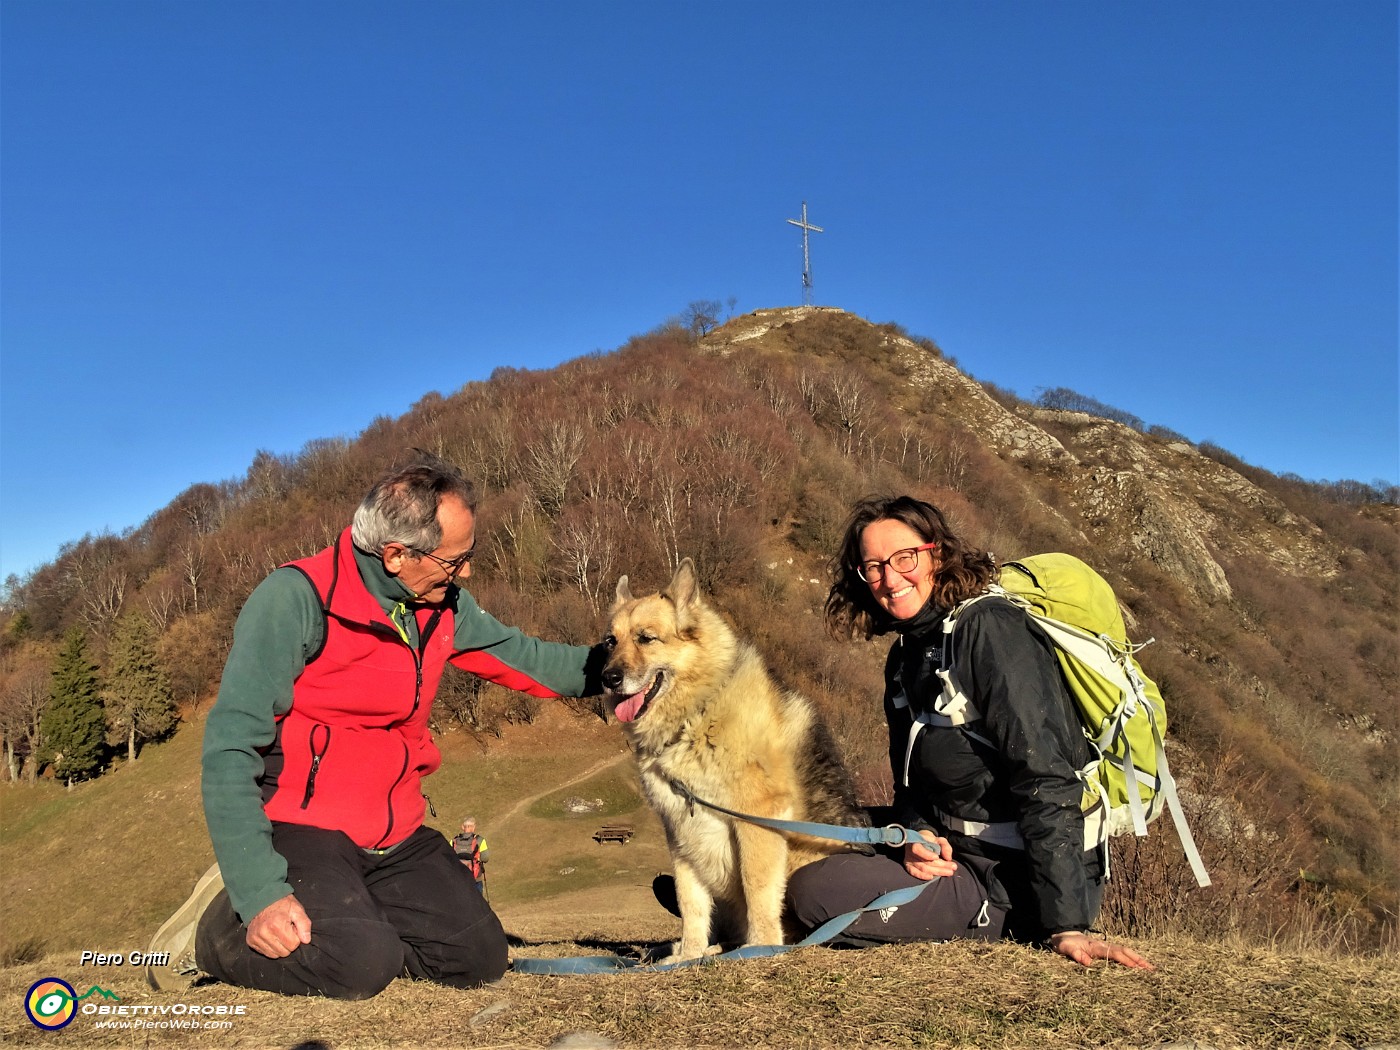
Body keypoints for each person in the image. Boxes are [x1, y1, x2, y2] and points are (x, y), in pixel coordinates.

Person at [146, 454, 604, 998]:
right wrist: (261, 892)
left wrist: (624, 670)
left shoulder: (441, 604)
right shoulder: (296, 600)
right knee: (360, 964)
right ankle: (213, 929)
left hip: (395, 832)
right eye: (456, 561)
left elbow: (524, 657)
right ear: (395, 555)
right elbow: (229, 750)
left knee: (477, 957)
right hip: (301, 826)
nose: (467, 573)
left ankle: (355, 922)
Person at [785, 494, 1153, 970]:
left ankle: (775, 916)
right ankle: (736, 900)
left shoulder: (991, 632)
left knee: (813, 890)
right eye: (872, 566)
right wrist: (915, 832)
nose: (890, 579)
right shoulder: (907, 655)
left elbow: (1047, 777)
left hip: (1008, 879)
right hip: (951, 844)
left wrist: (1065, 923)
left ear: (936, 554)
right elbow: (911, 785)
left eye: (904, 558)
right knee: (818, 824)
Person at [452, 817, 489, 896]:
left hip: (459, 878)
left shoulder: (454, 840)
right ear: (474, 827)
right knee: (477, 904)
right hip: (475, 879)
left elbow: (449, 856)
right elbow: (485, 858)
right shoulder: (480, 840)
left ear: (462, 827)